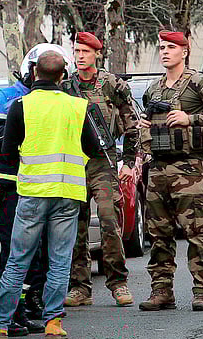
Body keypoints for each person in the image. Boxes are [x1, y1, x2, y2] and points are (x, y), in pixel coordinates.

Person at [0, 50, 88, 339]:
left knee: (17, 260)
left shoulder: (20, 106)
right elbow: (92, 147)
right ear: (63, 75)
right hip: (68, 193)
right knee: (59, 260)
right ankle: (53, 323)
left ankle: (0, 325)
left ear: (34, 73)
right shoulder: (78, 107)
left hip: (31, 193)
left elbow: (7, 150)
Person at [138, 30, 203, 311]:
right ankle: (161, 290)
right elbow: (147, 120)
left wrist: (189, 118)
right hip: (157, 168)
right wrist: (145, 129)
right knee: (158, 234)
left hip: (189, 168)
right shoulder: (153, 89)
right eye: (161, 47)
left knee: (196, 231)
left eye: (171, 47)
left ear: (185, 51)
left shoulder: (197, 83)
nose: (165, 52)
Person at [62, 32, 138, 307]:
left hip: (102, 162)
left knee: (108, 219)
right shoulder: (65, 86)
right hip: (73, 162)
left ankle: (118, 282)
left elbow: (132, 125)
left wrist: (129, 162)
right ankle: (80, 286)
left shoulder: (111, 84)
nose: (80, 56)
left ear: (96, 54)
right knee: (75, 224)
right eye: (77, 51)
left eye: (85, 51)